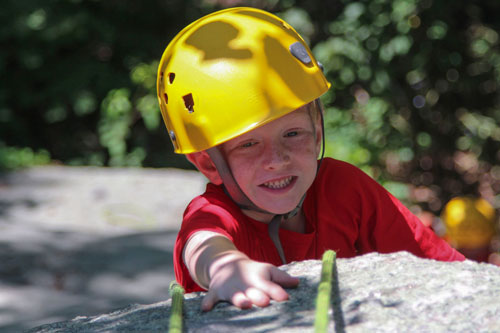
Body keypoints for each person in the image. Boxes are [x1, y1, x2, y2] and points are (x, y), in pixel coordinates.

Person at [156, 7, 465, 311]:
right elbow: (202, 244)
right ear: (210, 164)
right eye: (248, 144)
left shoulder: (344, 190)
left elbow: (442, 266)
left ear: (317, 130)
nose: (276, 160)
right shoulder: (214, 214)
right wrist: (226, 267)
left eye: (292, 134)